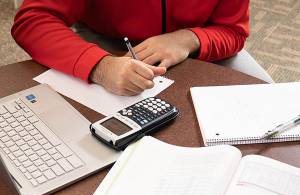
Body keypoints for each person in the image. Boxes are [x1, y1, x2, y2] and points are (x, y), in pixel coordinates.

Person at [11, 0, 273, 96]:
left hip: (198, 40)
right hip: (109, 40)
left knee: (268, 96)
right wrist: (99, 66)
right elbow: (33, 20)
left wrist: (187, 39)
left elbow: (233, 31)